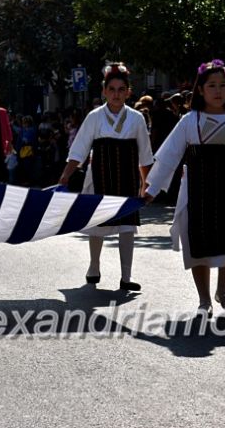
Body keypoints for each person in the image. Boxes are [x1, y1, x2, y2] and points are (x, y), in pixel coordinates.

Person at [144, 59, 225, 316]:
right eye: (212, 85)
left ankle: (224, 291)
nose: (218, 91)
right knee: (197, 243)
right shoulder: (189, 121)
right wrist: (152, 188)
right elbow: (169, 156)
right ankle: (204, 299)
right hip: (197, 192)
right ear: (200, 89)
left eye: (223, 85)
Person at [58, 62, 153, 291]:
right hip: (100, 174)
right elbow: (79, 149)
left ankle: (126, 276)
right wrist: (65, 176)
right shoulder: (94, 117)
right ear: (104, 91)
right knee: (97, 225)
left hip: (127, 176)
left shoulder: (137, 118)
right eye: (112, 89)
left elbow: (145, 155)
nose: (116, 94)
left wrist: (146, 185)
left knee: (128, 226)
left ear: (128, 92)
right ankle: (94, 266)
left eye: (121, 90)